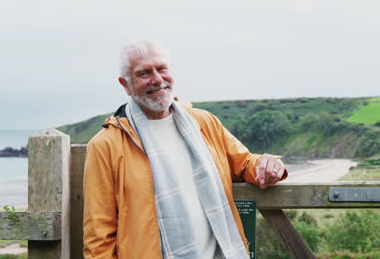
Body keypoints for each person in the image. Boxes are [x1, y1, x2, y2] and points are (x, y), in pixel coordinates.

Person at [83, 38, 288, 259]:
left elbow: (245, 163)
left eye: (162, 68)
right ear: (125, 84)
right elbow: (98, 236)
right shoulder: (105, 145)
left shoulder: (203, 122)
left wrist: (268, 165)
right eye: (144, 73)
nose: (157, 79)